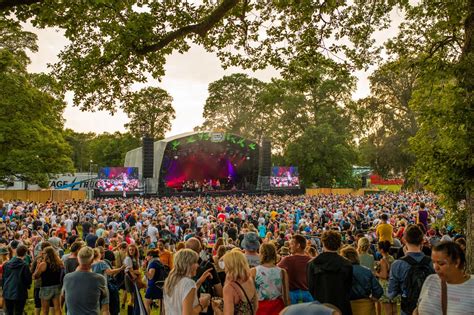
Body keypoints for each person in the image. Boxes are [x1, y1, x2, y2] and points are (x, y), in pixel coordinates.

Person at [416, 241, 473, 315]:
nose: (435, 268)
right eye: (433, 262)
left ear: (456, 262)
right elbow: (417, 308)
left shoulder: (471, 286)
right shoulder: (430, 280)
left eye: (441, 263)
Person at [388, 224, 434, 315]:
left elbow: (391, 293)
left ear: (404, 240)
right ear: (422, 240)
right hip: (429, 307)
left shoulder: (398, 264)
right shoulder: (432, 262)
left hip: (407, 308)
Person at [307, 230, 353, 315]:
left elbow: (311, 288)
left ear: (323, 243)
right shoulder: (347, 264)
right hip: (342, 306)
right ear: (339, 244)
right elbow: (348, 287)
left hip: (320, 307)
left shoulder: (313, 264)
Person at [163, 249, 212, 315]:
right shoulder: (189, 283)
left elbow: (184, 293)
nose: (197, 265)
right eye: (195, 262)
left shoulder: (170, 280)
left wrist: (199, 282)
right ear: (188, 264)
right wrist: (202, 305)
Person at [62, 246, 108, 315]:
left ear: (78, 259)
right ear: (92, 260)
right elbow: (106, 309)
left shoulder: (67, 277)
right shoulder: (99, 279)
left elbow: (62, 296)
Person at [340, 246, 383, 315]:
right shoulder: (367, 271)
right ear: (356, 256)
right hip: (366, 306)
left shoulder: (341, 272)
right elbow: (378, 290)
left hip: (348, 306)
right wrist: (374, 298)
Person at [212, 250, 258, 315]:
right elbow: (256, 305)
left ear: (229, 266)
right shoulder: (250, 279)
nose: (224, 267)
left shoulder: (229, 288)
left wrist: (216, 310)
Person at [185, 237, 223, 314]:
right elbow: (219, 290)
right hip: (204, 305)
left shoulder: (180, 267)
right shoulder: (207, 266)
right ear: (200, 249)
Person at [250, 243, 289, 315]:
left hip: (260, 308)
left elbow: (251, 295)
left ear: (261, 254)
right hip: (278, 308)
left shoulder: (254, 271)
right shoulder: (282, 272)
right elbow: (286, 297)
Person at [277, 234, 313, 304]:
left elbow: (275, 270)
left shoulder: (287, 260)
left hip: (292, 296)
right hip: (308, 295)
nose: (290, 246)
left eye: (292, 244)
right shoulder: (311, 260)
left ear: (298, 245)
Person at [33, 246, 64, 315]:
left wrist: (37, 266)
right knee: (58, 309)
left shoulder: (43, 264)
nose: (42, 254)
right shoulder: (59, 263)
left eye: (43, 253)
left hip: (45, 288)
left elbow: (35, 276)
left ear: (46, 254)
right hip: (57, 287)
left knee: (45, 311)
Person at [2, 245, 32, 315]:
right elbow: (28, 280)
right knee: (18, 312)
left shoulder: (7, 264)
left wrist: (4, 289)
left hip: (8, 291)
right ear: (25, 254)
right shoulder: (24, 265)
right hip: (19, 291)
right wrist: (28, 286)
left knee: (9, 312)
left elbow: (4, 278)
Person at [375, 240, 399, 315]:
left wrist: (375, 273)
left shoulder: (383, 260)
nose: (377, 249)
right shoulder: (391, 258)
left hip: (386, 287)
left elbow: (384, 275)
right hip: (393, 284)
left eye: (378, 248)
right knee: (394, 310)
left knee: (388, 311)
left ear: (381, 250)